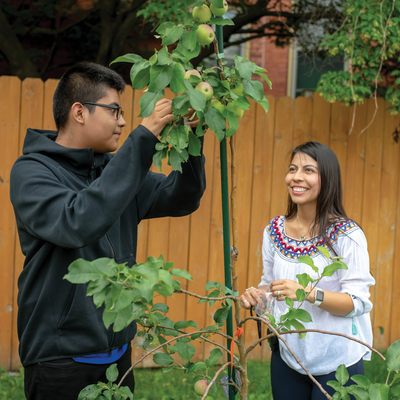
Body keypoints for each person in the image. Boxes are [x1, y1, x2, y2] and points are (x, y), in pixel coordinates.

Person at [9, 62, 206, 400]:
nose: (124, 122)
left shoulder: (115, 170)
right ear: (79, 112)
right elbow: (76, 222)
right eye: (114, 111)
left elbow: (181, 198)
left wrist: (191, 136)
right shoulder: (31, 172)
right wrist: (142, 139)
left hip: (117, 355)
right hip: (60, 358)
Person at [239, 142, 374, 400]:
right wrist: (257, 297)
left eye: (308, 170)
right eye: (293, 169)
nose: (296, 177)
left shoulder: (347, 235)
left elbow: (357, 303)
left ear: (327, 180)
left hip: (338, 361)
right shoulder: (274, 231)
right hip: (288, 356)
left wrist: (307, 293)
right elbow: (270, 285)